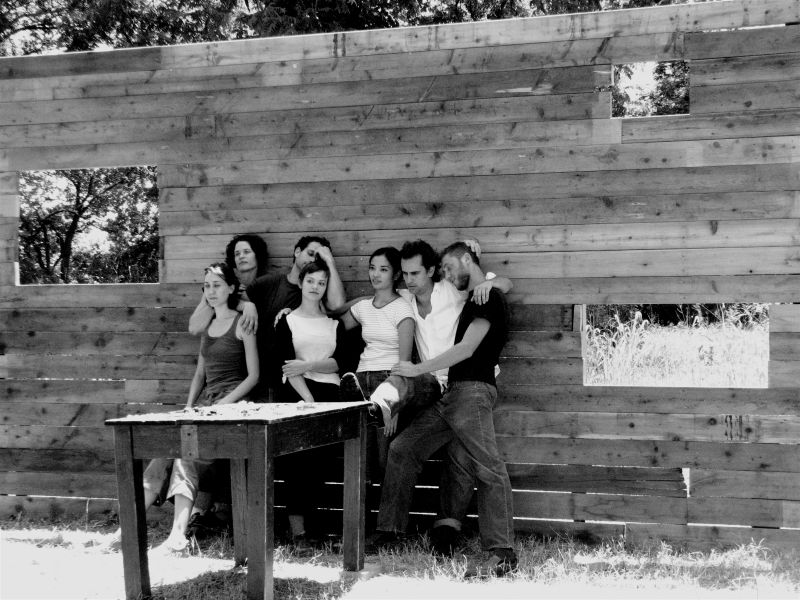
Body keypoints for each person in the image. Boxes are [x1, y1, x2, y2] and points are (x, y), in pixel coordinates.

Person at [376, 242, 518, 578]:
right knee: (403, 447)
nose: (448, 275)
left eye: (450, 267)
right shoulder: (475, 297)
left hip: (472, 391)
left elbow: (467, 348)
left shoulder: (489, 298)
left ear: (467, 259)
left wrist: (416, 369)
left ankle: (502, 553)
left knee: (488, 467)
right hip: (453, 394)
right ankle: (390, 532)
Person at [108, 263, 259, 554]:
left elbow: (253, 376)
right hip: (205, 407)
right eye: (207, 286)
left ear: (231, 288)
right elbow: (200, 375)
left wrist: (222, 406)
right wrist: (188, 408)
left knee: (185, 456)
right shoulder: (207, 328)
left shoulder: (242, 323)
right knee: (162, 454)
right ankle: (124, 532)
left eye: (217, 285)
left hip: (234, 408)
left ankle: (177, 537)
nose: (211, 291)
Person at [338, 247, 440, 480]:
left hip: (388, 380)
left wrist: (394, 405)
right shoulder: (363, 307)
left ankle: (384, 508)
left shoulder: (402, 308)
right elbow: (332, 325)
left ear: (395, 275)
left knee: (384, 461)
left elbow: (404, 361)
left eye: (383, 269)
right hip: (359, 382)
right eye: (372, 268)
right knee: (361, 461)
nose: (375, 274)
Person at [273, 258, 348, 550]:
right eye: (310, 281)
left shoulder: (334, 324)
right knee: (297, 463)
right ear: (301, 283)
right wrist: (308, 399)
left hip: (331, 395)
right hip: (299, 395)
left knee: (322, 463)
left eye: (321, 282)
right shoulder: (287, 321)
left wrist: (308, 364)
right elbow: (287, 366)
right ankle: (299, 533)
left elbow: (339, 363)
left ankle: (318, 529)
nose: (315, 287)